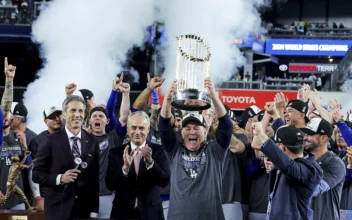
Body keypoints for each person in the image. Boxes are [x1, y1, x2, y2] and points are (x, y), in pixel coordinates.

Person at [158, 77, 233, 220]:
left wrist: (213, 97)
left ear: (205, 131)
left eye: (197, 127)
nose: (192, 132)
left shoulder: (215, 151)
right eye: (188, 128)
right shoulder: (174, 150)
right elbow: (163, 125)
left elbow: (226, 126)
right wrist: (167, 100)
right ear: (181, 132)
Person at [32, 95, 99, 220]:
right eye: (73, 110)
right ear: (64, 114)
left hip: (83, 210)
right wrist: (60, 178)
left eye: (81, 111)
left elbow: (94, 180)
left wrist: (94, 211)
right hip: (57, 208)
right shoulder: (49, 141)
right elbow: (36, 174)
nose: (77, 114)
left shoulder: (92, 141)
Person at [106, 111, 170, 220]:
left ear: (148, 129)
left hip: (151, 212)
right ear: (127, 130)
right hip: (122, 212)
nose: (137, 132)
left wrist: (151, 164)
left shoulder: (158, 151)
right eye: (133, 127)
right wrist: (124, 169)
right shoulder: (116, 153)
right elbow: (110, 185)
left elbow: (164, 181)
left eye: (141, 128)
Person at [251, 124, 322, 219]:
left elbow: (289, 167)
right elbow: (255, 145)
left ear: (282, 147)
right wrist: (257, 134)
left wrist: (262, 134)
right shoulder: (284, 164)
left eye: (277, 146)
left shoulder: (311, 170)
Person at [302, 118, 345, 220]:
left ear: (324, 138)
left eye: (310, 134)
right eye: (306, 134)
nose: (305, 137)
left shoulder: (335, 163)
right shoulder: (302, 160)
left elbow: (313, 189)